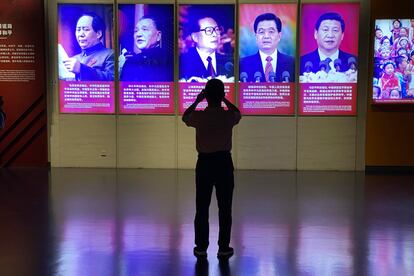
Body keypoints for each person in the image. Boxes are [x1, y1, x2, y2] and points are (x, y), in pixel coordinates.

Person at [182, 79, 241, 259]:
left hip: (205, 164)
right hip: (224, 163)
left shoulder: (199, 117)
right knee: (225, 208)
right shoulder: (227, 116)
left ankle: (201, 247)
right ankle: (223, 247)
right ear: (222, 95)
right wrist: (224, 100)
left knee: (202, 207)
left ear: (206, 95)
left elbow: (185, 117)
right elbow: (238, 113)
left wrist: (198, 100)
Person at [239, 13, 295, 83]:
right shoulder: (242, 64)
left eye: (271, 31)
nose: (266, 36)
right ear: (256, 36)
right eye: (261, 32)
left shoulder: (293, 63)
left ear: (279, 36)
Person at [300, 12, 357, 78]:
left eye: (335, 30)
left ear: (342, 35)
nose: (330, 35)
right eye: (325, 30)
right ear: (316, 34)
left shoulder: (354, 62)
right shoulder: (302, 62)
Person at [179, 14, 233, 82]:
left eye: (217, 29)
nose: (215, 34)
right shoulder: (182, 63)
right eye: (209, 30)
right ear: (195, 37)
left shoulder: (229, 62)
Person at [61, 13, 114, 81]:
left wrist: (82, 69)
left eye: (86, 29)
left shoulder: (109, 54)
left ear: (98, 34)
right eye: (78, 30)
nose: (80, 34)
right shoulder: (74, 59)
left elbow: (112, 80)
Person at [120, 16, 173, 82]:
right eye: (136, 31)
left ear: (158, 35)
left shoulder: (169, 60)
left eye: (145, 29)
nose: (138, 34)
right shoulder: (130, 61)